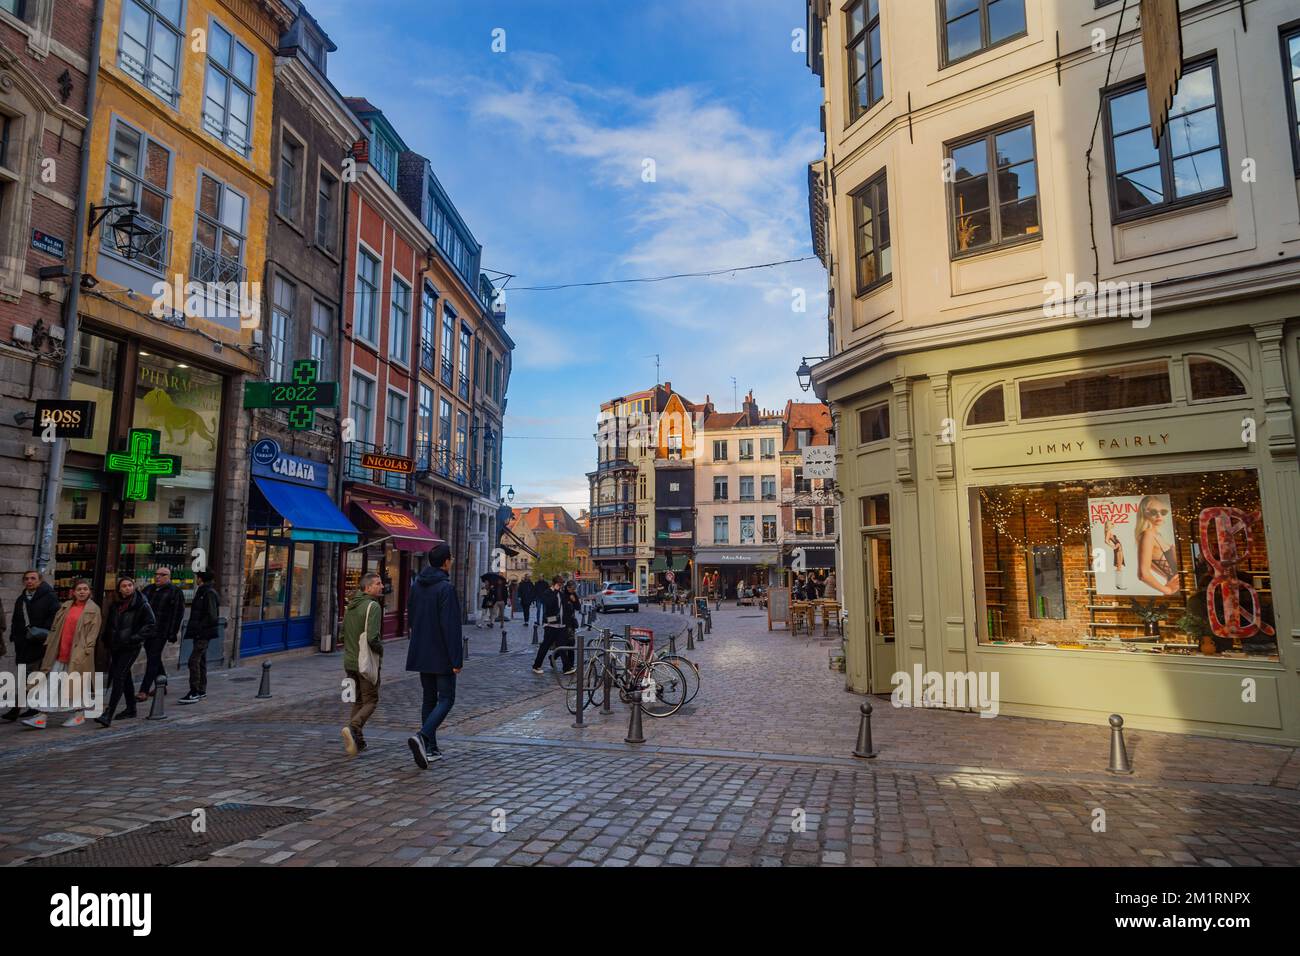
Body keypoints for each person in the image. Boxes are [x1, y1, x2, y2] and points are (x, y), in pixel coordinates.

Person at [405, 543, 463, 769]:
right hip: (441, 653)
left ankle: (430, 748)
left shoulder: (417, 585)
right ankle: (423, 736)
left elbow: (411, 617)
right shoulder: (445, 588)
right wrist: (456, 659)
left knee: (429, 699)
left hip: (422, 650)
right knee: (446, 698)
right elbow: (450, 626)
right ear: (446, 562)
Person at [21, 579, 101, 729]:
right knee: (50, 684)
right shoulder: (65, 606)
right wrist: (50, 644)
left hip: (77, 654)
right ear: (73, 592)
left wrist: (86, 650)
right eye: (79, 589)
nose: (82, 592)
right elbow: (55, 628)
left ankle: (78, 715)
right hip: (59, 652)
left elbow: (93, 634)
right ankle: (42, 716)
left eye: (85, 589)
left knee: (75, 686)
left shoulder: (93, 609)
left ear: (89, 592)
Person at [95, 577, 156, 728]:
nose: (127, 588)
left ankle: (108, 713)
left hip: (130, 646)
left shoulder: (141, 603)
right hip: (116, 645)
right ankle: (131, 708)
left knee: (118, 677)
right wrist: (107, 638)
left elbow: (151, 624)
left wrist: (133, 638)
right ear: (119, 589)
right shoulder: (116, 603)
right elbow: (111, 623)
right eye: (124, 586)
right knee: (125, 676)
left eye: (130, 585)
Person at [4, 570, 59, 722]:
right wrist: (15, 637)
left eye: (33, 578)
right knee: (24, 677)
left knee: (33, 677)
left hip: (39, 644)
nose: (29, 581)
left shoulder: (49, 597)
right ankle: (25, 708)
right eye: (27, 579)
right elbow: (16, 620)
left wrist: (42, 633)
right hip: (22, 644)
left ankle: (21, 708)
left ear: (40, 581)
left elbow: (54, 619)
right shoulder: (21, 599)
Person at [340, 572, 384, 756]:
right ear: (368, 588)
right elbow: (373, 637)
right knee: (371, 700)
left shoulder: (351, 605)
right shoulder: (372, 606)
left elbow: (342, 635)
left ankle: (358, 740)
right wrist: (380, 650)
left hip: (349, 661)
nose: (382, 586)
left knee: (358, 700)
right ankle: (353, 727)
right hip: (365, 662)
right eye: (378, 583)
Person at [138, 567, 185, 702]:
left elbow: (177, 614)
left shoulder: (175, 592)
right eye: (156, 574)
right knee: (155, 657)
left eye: (162, 575)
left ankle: (144, 690)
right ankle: (162, 684)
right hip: (147, 630)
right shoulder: (148, 589)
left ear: (168, 577)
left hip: (161, 631)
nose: (158, 577)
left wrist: (172, 633)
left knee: (153, 658)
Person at [179, 571, 219, 704]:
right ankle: (201, 690)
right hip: (200, 632)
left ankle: (194, 691)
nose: (196, 579)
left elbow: (212, 616)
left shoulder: (208, 593)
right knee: (201, 660)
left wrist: (201, 628)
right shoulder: (202, 591)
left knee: (193, 660)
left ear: (200, 579)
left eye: (197, 577)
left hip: (203, 633)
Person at [531, 577, 572, 675]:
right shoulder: (547, 593)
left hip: (561, 625)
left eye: (562, 584)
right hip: (550, 625)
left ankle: (566, 668)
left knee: (562, 647)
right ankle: (536, 666)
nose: (561, 585)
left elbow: (565, 608)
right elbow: (549, 604)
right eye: (559, 584)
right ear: (554, 584)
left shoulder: (561, 594)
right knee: (545, 646)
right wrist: (554, 591)